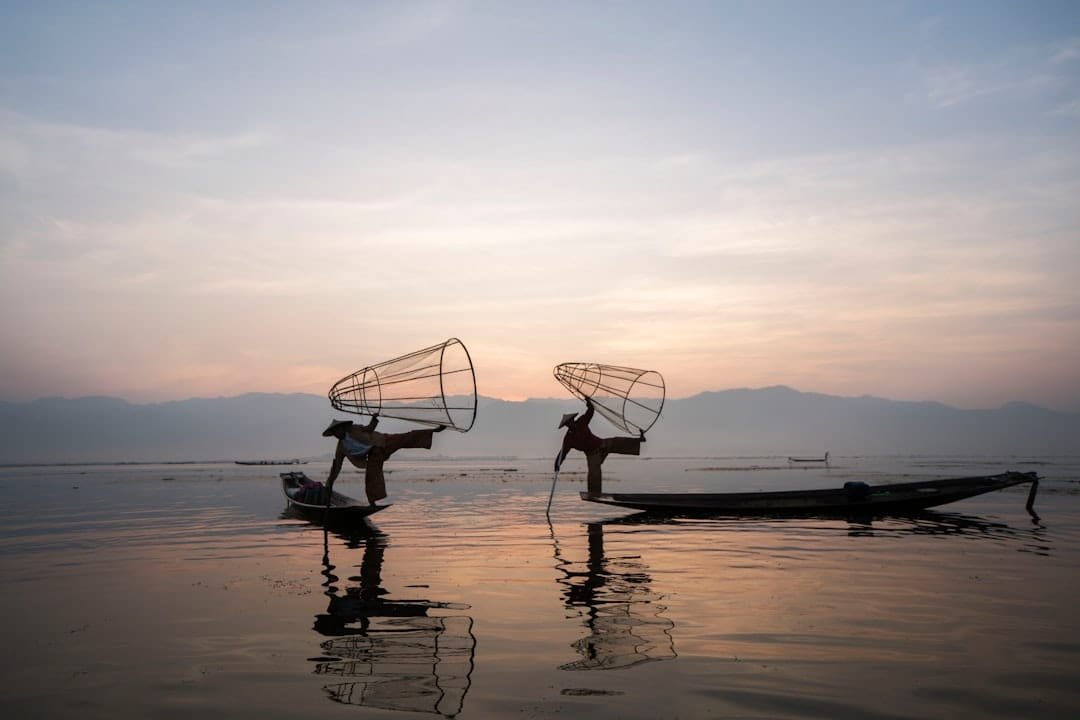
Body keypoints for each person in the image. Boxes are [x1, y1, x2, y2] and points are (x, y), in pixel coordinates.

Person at [323, 415, 445, 505]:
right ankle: (372, 502)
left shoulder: (354, 429)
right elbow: (336, 466)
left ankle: (434, 430)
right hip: (373, 456)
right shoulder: (341, 448)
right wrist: (329, 483)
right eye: (334, 432)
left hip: (381, 441)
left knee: (406, 437)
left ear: (342, 428)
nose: (337, 433)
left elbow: (369, 428)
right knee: (371, 477)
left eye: (337, 430)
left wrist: (374, 418)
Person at [554, 397, 645, 496]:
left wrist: (589, 403)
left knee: (618, 441)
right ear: (567, 425)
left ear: (573, 420)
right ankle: (594, 494)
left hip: (602, 444)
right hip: (592, 454)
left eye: (571, 421)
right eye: (569, 423)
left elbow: (590, 412)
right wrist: (557, 464)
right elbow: (563, 453)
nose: (571, 423)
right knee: (594, 473)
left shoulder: (581, 421)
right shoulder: (568, 439)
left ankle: (639, 440)